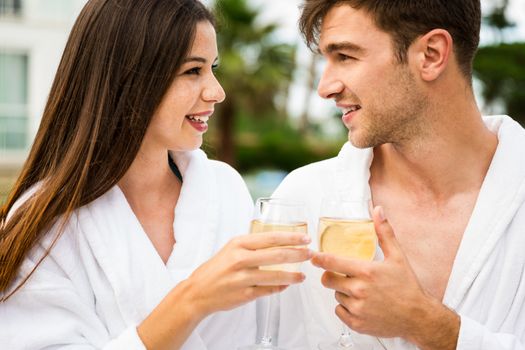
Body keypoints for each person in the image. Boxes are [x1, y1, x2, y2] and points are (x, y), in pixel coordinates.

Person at [0, 0, 312, 349]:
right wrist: (193, 299)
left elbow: (269, 332)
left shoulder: (225, 190)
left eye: (213, 68)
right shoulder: (47, 222)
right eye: (193, 71)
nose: (217, 91)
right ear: (129, 79)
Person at [273, 0, 525, 349]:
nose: (325, 87)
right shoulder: (301, 200)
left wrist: (426, 324)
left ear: (431, 54)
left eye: (345, 56)